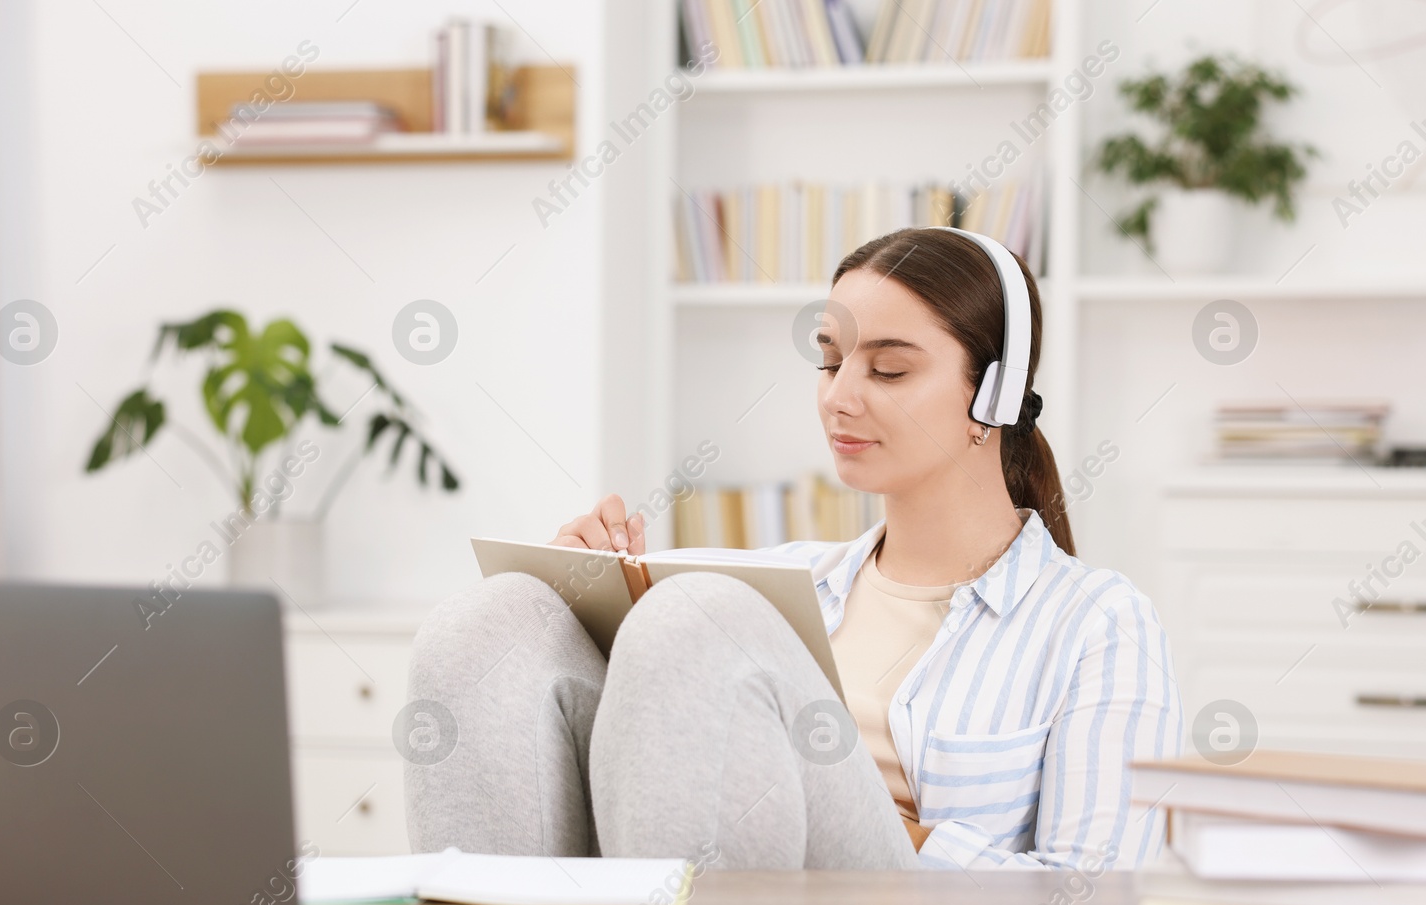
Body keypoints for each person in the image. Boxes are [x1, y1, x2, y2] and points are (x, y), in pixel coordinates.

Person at [402, 226, 1181, 871]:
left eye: (889, 368)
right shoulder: (788, 578)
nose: (841, 396)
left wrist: (893, 833)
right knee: (497, 621)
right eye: (830, 361)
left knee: (699, 616)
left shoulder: (1096, 622)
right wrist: (579, 609)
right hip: (705, 888)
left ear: (996, 396)